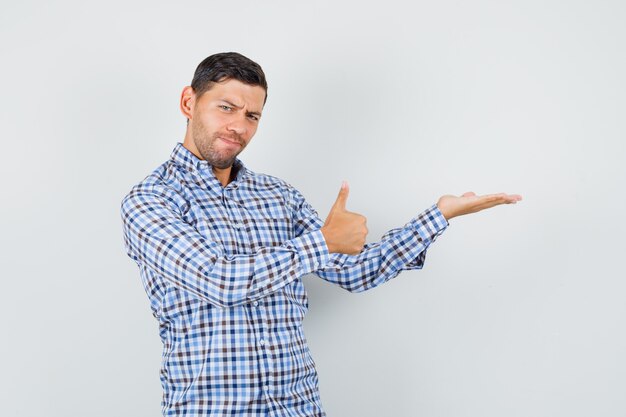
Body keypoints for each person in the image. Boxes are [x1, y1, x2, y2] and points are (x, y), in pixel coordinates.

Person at [120, 52, 522, 417]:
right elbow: (220, 280)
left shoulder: (278, 195)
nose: (238, 126)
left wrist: (439, 215)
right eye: (226, 108)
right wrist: (323, 241)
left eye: (252, 116)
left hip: (298, 407)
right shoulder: (150, 200)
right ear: (189, 102)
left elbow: (355, 271)